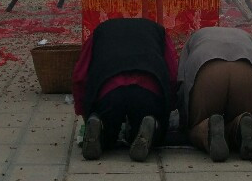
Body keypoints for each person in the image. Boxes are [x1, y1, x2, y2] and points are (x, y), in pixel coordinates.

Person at [72, 17, 178, 162]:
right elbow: (172, 74)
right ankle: (150, 125)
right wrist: (168, 108)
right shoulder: (159, 31)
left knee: (108, 136)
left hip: (109, 89)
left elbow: (79, 76)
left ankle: (100, 126)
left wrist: (85, 112)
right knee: (150, 127)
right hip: (148, 89)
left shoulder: (100, 31)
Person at [177, 26, 252, 162]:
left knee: (195, 128)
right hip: (248, 71)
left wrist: (185, 119)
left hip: (208, 70)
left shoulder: (195, 37)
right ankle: (241, 122)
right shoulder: (246, 37)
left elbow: (181, 82)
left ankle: (208, 128)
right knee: (241, 116)